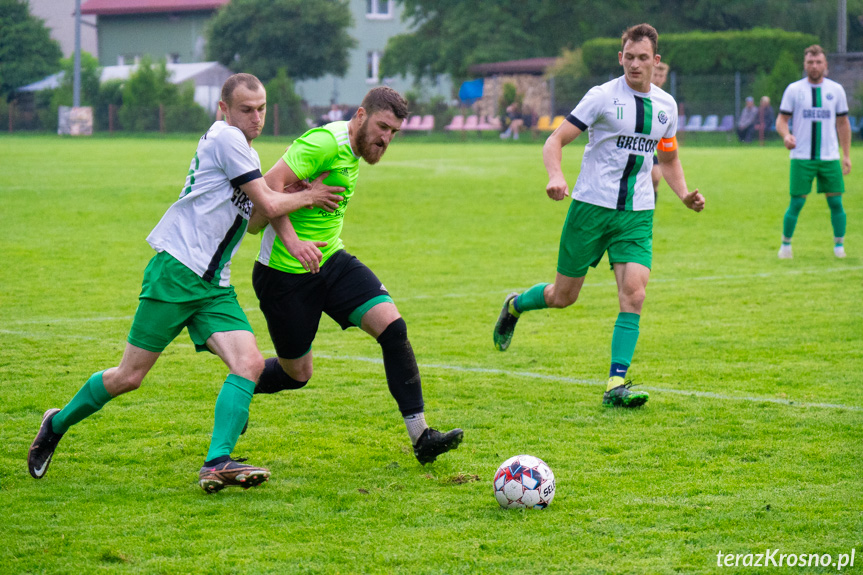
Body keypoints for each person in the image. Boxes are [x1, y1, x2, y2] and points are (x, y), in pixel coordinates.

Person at [27, 73, 344, 493]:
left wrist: (295, 239)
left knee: (248, 363)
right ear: (224, 110)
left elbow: (254, 222)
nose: (256, 117)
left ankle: (216, 462)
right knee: (128, 376)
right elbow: (268, 201)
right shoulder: (226, 139)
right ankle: (57, 422)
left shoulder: (245, 150)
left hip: (213, 285)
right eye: (246, 110)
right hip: (177, 273)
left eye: (262, 108)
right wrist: (309, 195)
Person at [493, 23, 705, 408]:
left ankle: (615, 384)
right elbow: (555, 140)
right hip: (590, 208)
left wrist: (684, 194)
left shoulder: (666, 107)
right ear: (620, 57)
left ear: (656, 62)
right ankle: (515, 305)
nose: (635, 64)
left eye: (643, 58)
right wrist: (556, 176)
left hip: (637, 213)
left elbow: (669, 158)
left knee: (634, 295)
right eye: (629, 56)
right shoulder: (602, 97)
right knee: (563, 296)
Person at [250, 86, 464, 464]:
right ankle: (242, 379)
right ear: (361, 116)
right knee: (296, 374)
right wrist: (296, 241)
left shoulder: (353, 152)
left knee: (393, 329)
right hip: (284, 274)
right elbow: (267, 189)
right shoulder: (324, 143)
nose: (385, 138)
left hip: (330, 260)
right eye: (382, 127)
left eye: (393, 133)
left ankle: (422, 437)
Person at [775, 45, 851, 259]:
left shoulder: (836, 90)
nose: (814, 66)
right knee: (797, 202)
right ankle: (786, 246)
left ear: (825, 65)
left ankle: (839, 247)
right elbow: (782, 119)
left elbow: (843, 123)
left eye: (818, 62)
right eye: (810, 62)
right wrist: (786, 135)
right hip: (801, 157)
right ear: (805, 64)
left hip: (829, 157)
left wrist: (846, 155)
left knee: (836, 202)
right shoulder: (794, 90)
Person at [650, 62, 670, 202]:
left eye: (661, 76)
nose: (658, 78)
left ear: (665, 79)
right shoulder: (643, 93)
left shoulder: (666, 100)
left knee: (656, 179)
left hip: (657, 147)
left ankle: (649, 212)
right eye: (655, 74)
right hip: (638, 144)